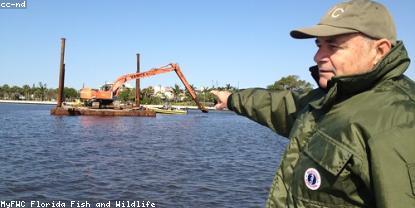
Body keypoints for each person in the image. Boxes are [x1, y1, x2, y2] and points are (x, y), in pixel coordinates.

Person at [212, 0, 415, 207]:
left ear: (379, 51)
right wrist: (231, 99)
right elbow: (280, 106)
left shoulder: (400, 121)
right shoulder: (326, 100)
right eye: (319, 45)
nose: (318, 56)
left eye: (333, 45)